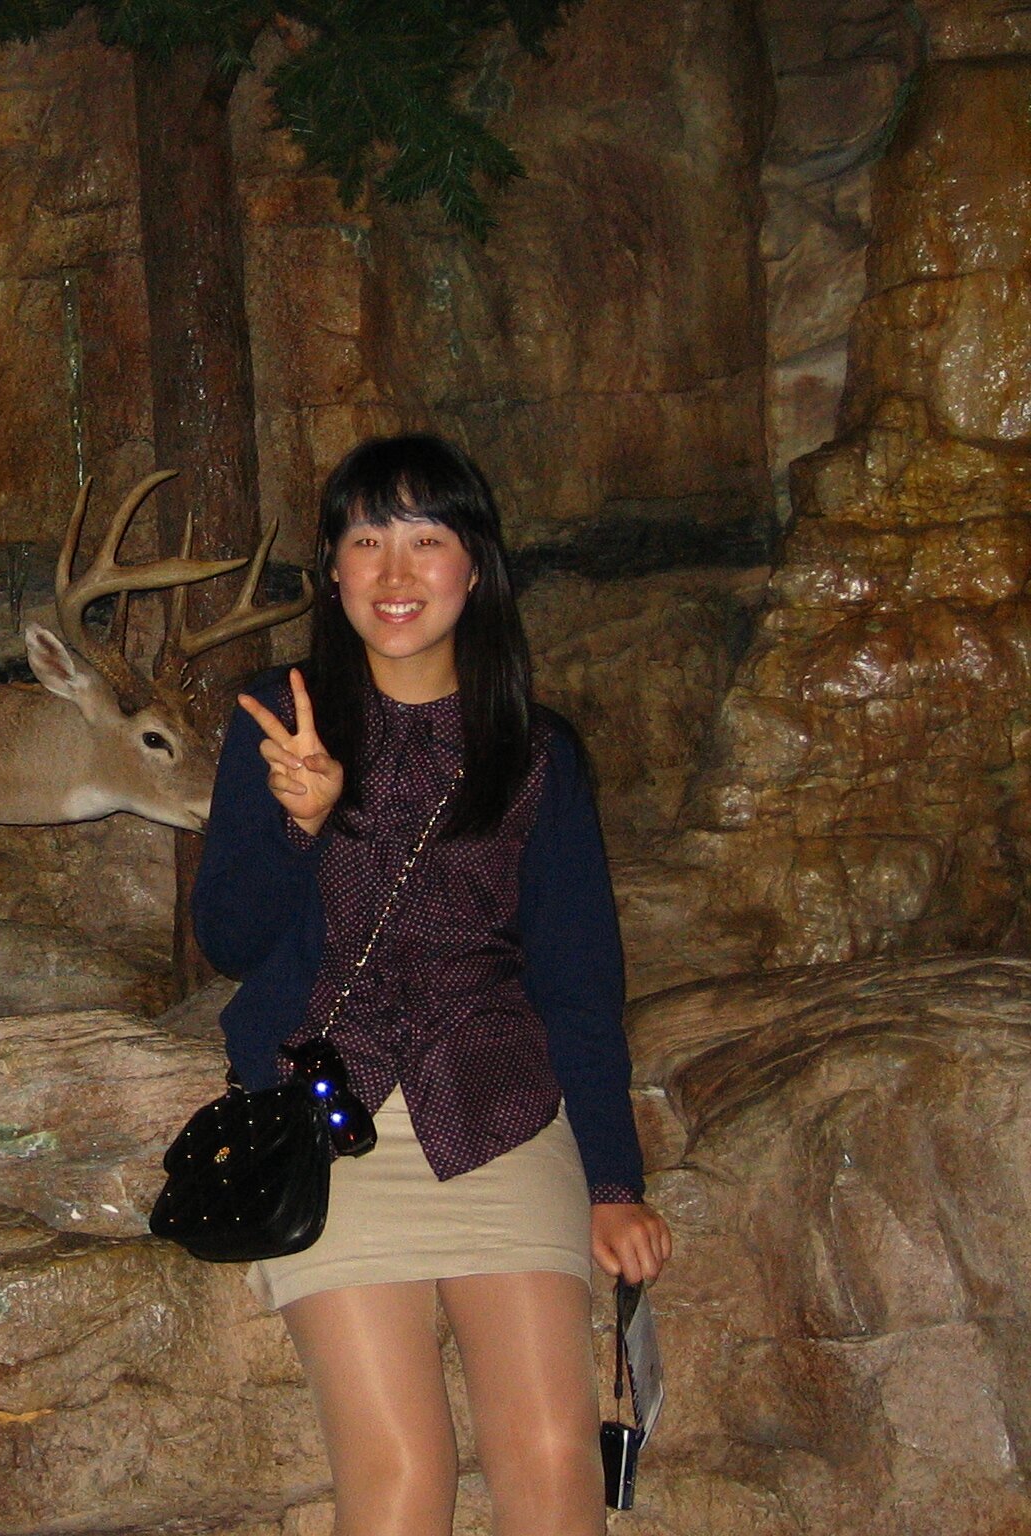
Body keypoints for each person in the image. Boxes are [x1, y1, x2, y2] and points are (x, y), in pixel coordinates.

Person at [192, 434, 672, 1536]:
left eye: (425, 539)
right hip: (330, 1124)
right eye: (367, 541)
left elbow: (577, 981)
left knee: (550, 1461)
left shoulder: (535, 752)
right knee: (403, 1471)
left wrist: (611, 1178)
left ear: (474, 566)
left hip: (500, 1113)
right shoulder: (282, 718)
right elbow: (229, 938)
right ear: (332, 569)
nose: (395, 572)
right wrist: (302, 826)